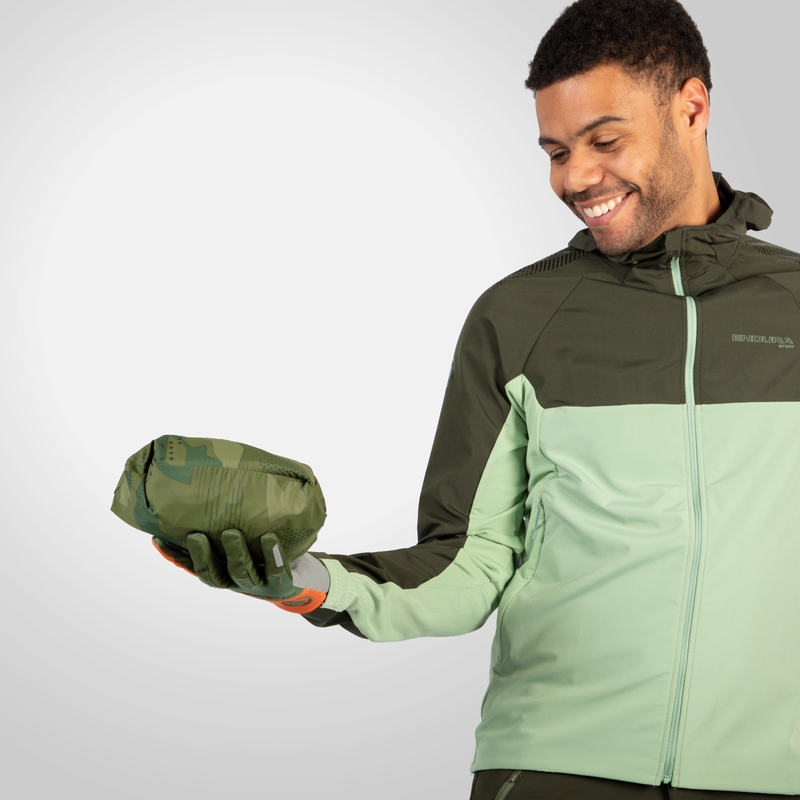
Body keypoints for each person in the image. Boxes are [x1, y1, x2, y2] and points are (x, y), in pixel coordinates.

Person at [152, 0, 800, 797]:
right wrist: (308, 580)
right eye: (556, 151)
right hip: (552, 768)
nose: (575, 178)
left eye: (604, 141)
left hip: (768, 775)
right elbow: (468, 561)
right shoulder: (520, 317)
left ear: (692, 108)